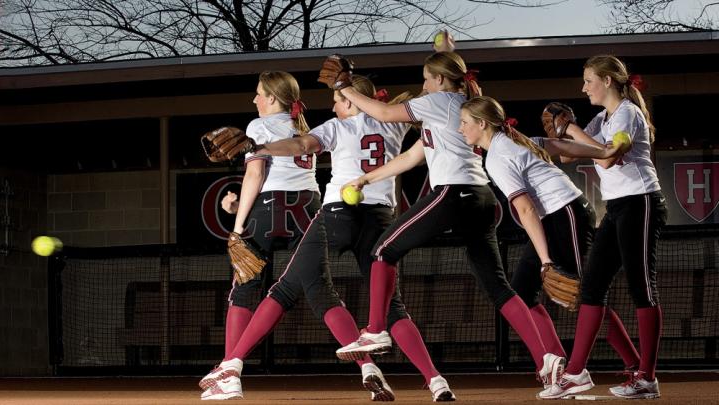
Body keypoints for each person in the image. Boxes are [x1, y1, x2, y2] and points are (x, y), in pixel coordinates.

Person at [331, 50, 565, 393]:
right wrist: (366, 180)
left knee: (382, 250)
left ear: (440, 80)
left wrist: (344, 87)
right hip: (481, 198)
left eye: (427, 77)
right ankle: (546, 359)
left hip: (454, 194)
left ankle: (377, 329)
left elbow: (381, 112)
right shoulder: (457, 106)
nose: (422, 84)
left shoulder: (440, 100)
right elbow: (412, 157)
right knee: (499, 287)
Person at [199, 75, 401, 402]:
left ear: (273, 99)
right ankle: (367, 366)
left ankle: (228, 370)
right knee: (321, 290)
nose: (255, 100)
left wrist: (237, 225)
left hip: (268, 209)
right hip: (308, 208)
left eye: (259, 94)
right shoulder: (303, 127)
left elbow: (256, 174)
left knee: (245, 287)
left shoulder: (258, 126)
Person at [458, 95, 640, 387]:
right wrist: (600, 150)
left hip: (566, 214)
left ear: (481, 123)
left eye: (464, 122)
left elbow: (527, 209)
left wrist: (545, 261)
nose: (460, 129)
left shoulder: (498, 156)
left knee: (586, 296)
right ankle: (555, 362)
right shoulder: (516, 140)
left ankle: (634, 365)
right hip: (555, 218)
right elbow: (562, 147)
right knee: (522, 291)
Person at [538, 55, 667, 400]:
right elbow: (567, 155)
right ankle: (576, 373)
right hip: (617, 208)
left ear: (607, 81)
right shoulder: (603, 117)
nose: (583, 87)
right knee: (591, 287)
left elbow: (609, 155)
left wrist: (573, 130)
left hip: (641, 203)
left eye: (588, 80)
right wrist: (529, 140)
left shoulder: (627, 113)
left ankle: (647, 378)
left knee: (643, 288)